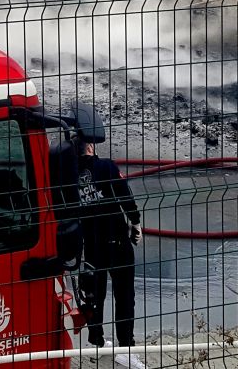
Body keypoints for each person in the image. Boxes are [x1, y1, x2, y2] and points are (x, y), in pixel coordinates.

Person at [69, 103, 146, 368]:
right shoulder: (106, 167)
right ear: (90, 146)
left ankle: (96, 343)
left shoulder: (69, 176)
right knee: (124, 296)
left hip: (90, 246)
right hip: (117, 242)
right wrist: (135, 223)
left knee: (94, 295)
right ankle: (125, 348)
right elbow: (125, 197)